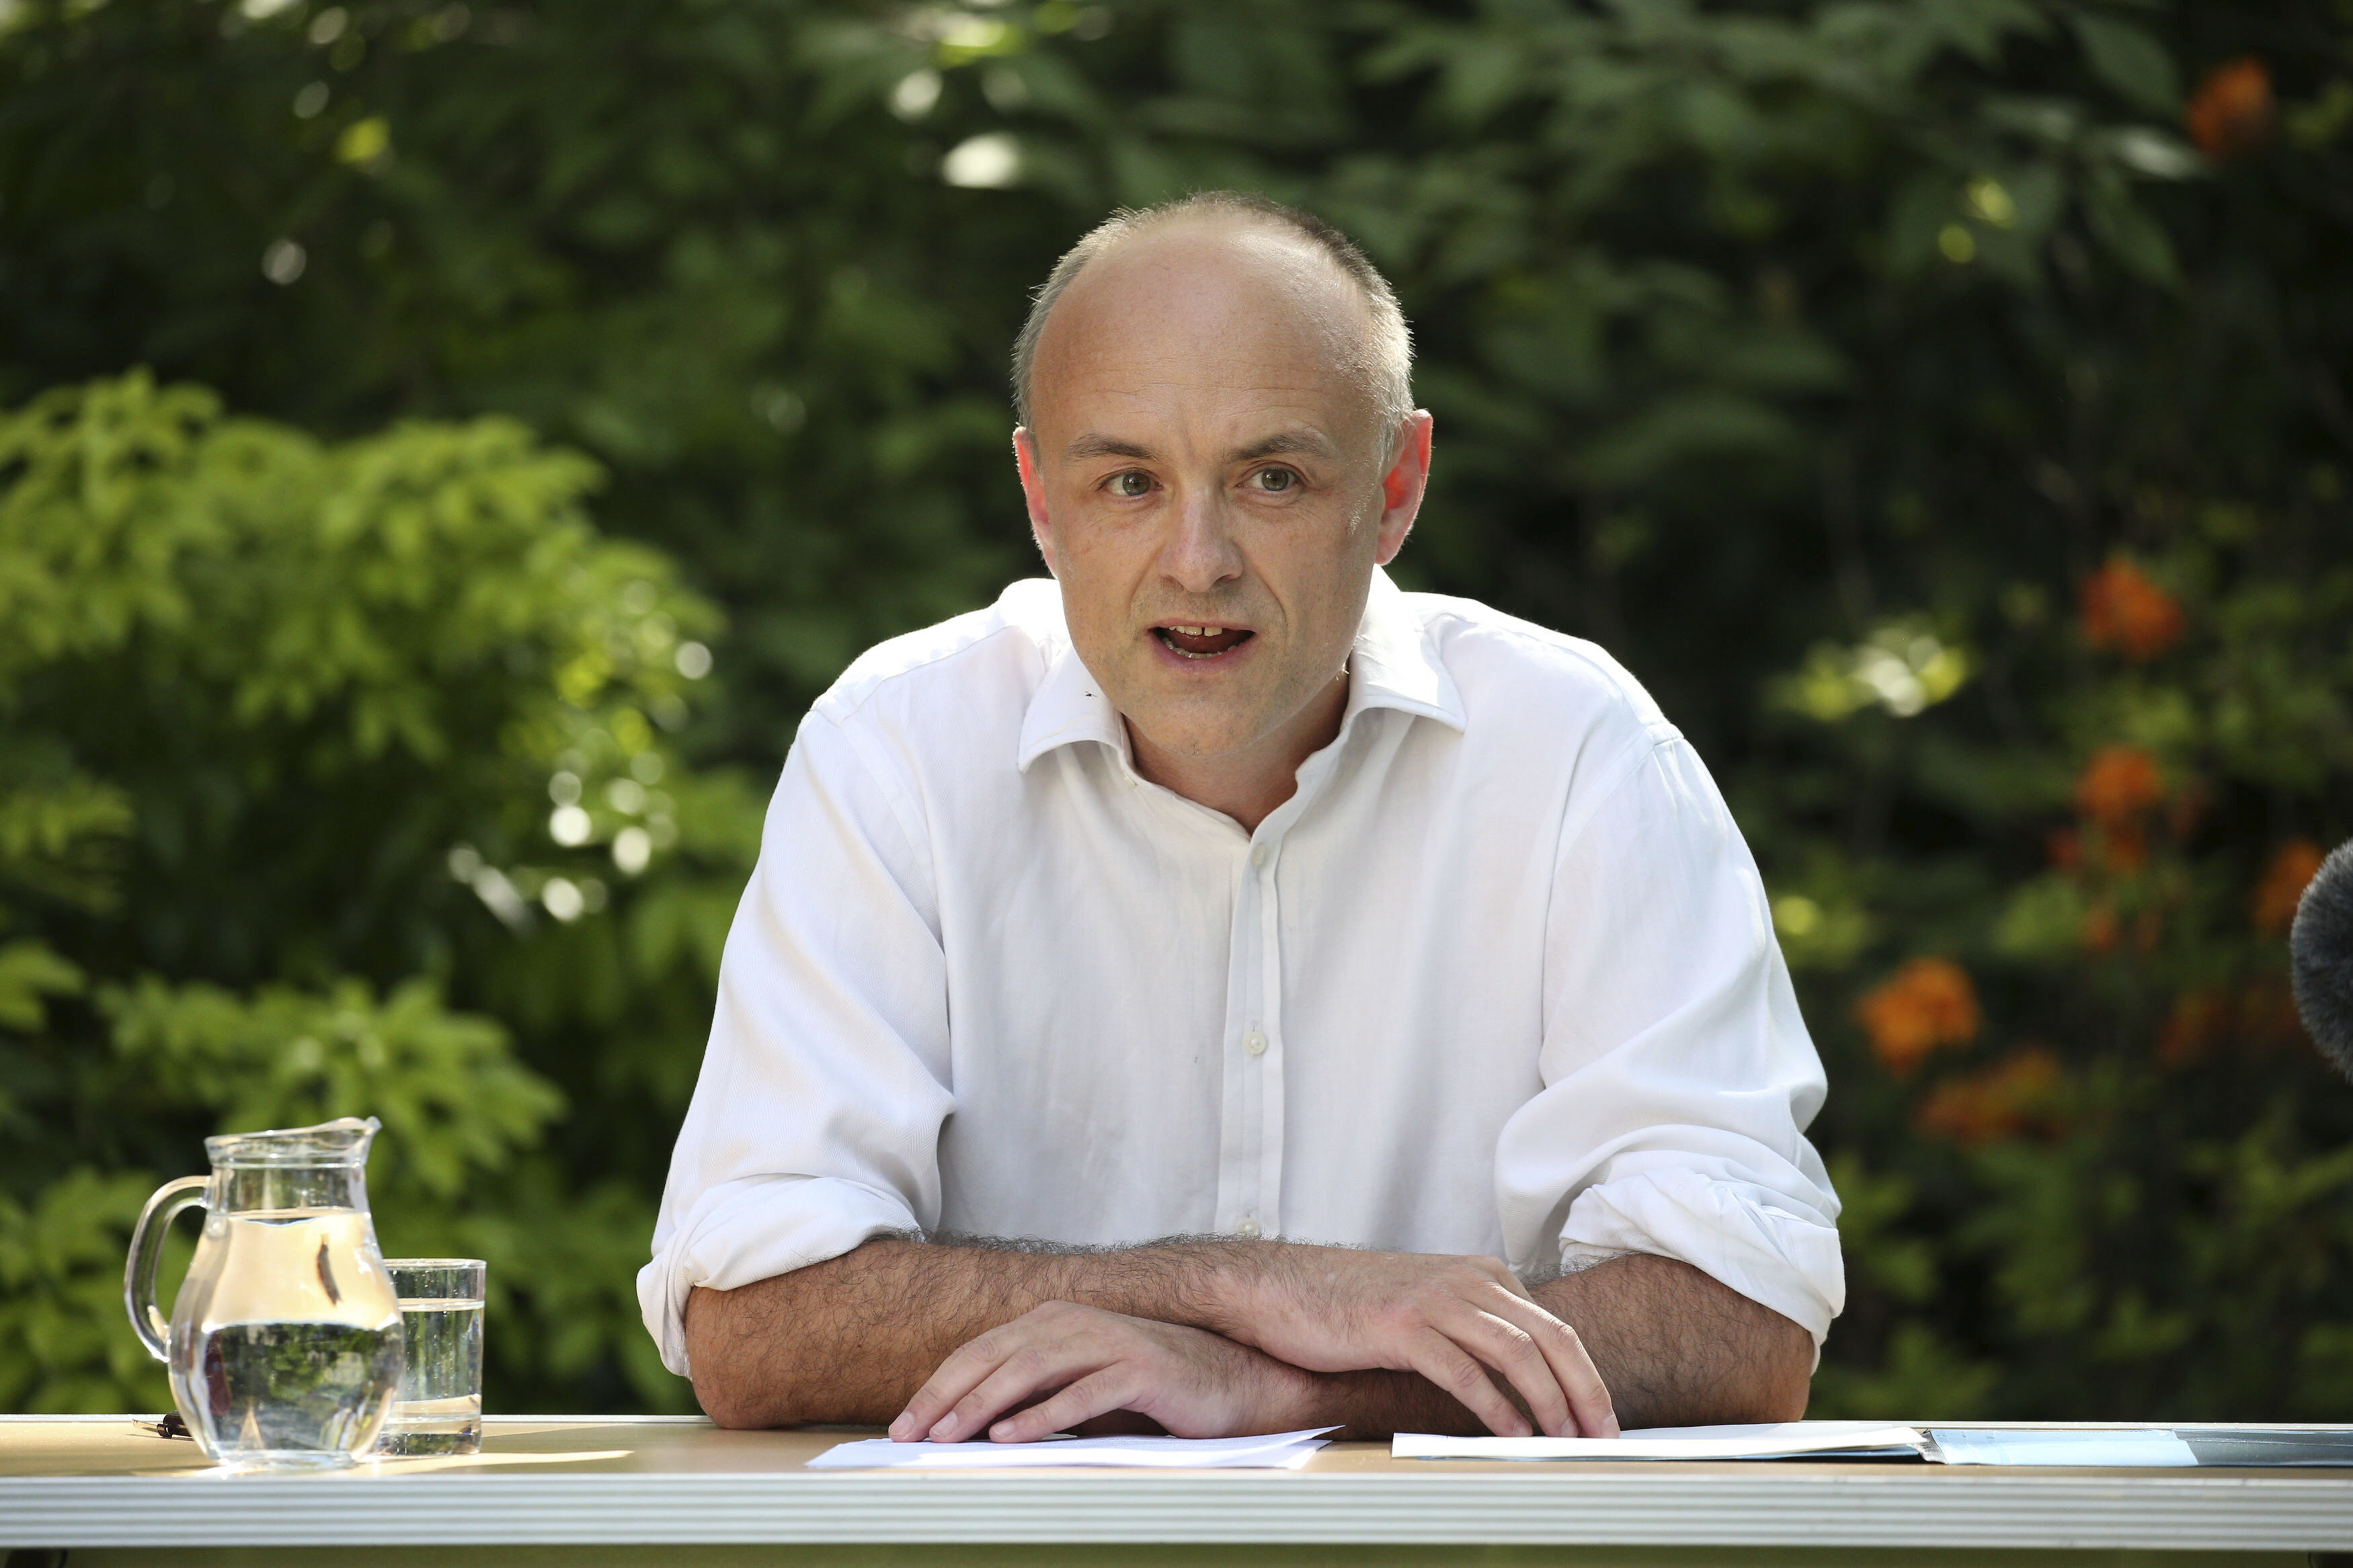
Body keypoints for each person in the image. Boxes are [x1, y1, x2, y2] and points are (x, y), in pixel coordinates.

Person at [638, 192, 1842, 1444]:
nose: (1196, 559)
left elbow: (1742, 1319)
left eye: (1271, 477)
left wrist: (1295, 1387)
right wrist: (1249, 1286)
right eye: (1128, 482)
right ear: (1040, 500)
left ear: (1395, 488)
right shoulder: (895, 748)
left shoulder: (1581, 753)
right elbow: (752, 1319)